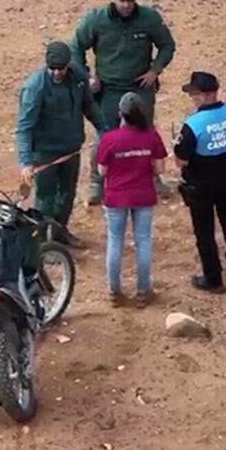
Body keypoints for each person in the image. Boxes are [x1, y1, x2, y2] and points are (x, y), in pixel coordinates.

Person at [68, 0, 176, 206]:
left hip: (140, 88)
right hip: (108, 89)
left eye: (130, 0)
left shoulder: (149, 19)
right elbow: (76, 47)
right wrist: (88, 77)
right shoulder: (96, 20)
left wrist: (155, 70)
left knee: (145, 132)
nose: (126, 5)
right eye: (122, 0)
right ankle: (97, 182)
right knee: (105, 135)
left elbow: (167, 45)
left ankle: (153, 177)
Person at [14, 40, 107, 249]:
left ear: (68, 65)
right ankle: (42, 244)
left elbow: (89, 107)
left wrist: (105, 131)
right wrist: (25, 161)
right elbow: (24, 126)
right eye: (52, 69)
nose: (57, 73)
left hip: (71, 148)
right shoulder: (34, 88)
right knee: (45, 200)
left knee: (67, 194)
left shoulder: (78, 78)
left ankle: (59, 233)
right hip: (45, 153)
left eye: (61, 68)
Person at [173, 71, 226, 294]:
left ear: (204, 95)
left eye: (194, 94)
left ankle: (213, 278)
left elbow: (181, 160)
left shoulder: (193, 124)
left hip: (200, 183)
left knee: (205, 232)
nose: (192, 98)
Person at [96, 92, 168, 307]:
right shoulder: (151, 136)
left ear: (121, 113)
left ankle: (114, 291)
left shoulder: (110, 139)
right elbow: (160, 167)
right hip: (143, 194)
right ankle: (143, 290)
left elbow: (101, 171)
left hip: (116, 196)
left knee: (115, 241)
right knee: (143, 241)